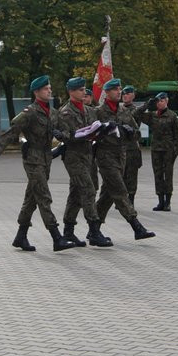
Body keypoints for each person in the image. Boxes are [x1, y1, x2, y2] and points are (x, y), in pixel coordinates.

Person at [0, 75, 75, 252]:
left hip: (46, 158)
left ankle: (21, 236)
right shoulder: (30, 112)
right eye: (46, 88)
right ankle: (57, 237)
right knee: (43, 196)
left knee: (32, 198)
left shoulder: (54, 112)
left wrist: (62, 135)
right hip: (32, 159)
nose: (49, 90)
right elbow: (12, 131)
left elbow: (66, 130)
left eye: (49, 88)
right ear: (36, 92)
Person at [93, 78, 156, 240]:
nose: (119, 92)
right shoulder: (98, 112)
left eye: (120, 89)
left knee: (108, 194)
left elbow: (137, 133)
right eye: (115, 89)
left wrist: (130, 132)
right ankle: (137, 227)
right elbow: (91, 133)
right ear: (106, 93)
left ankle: (94, 229)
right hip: (105, 156)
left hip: (122, 156)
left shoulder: (124, 111)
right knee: (120, 191)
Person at [53, 77, 111, 247]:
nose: (83, 92)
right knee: (88, 190)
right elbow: (66, 135)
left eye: (84, 89)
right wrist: (71, 135)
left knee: (76, 194)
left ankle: (68, 231)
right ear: (71, 92)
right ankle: (94, 231)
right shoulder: (65, 112)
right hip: (73, 156)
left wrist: (101, 131)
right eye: (79, 89)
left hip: (88, 155)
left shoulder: (89, 110)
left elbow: (95, 127)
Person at [139, 92, 178, 211]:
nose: (159, 103)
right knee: (157, 175)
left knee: (168, 175)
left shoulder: (172, 116)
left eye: (162, 101)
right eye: (158, 101)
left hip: (168, 150)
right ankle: (160, 201)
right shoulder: (152, 115)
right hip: (156, 149)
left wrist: (175, 151)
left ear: (167, 101)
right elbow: (137, 114)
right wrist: (148, 104)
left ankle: (168, 202)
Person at [120, 85, 143, 203]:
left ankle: (131, 199)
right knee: (121, 175)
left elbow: (134, 115)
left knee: (132, 175)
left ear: (133, 95)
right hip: (120, 147)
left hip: (132, 147)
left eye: (128, 94)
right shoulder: (119, 109)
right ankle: (122, 199)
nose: (125, 96)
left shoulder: (136, 110)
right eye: (123, 94)